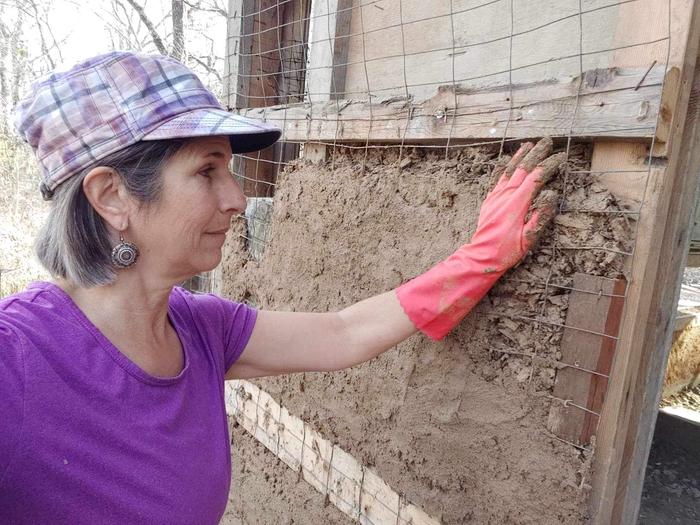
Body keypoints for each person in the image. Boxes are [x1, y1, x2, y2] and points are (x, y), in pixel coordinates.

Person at [0, 51, 562, 524]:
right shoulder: (14, 359)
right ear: (112, 196)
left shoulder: (200, 328)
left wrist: (481, 257)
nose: (237, 199)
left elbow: (344, 333)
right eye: (207, 171)